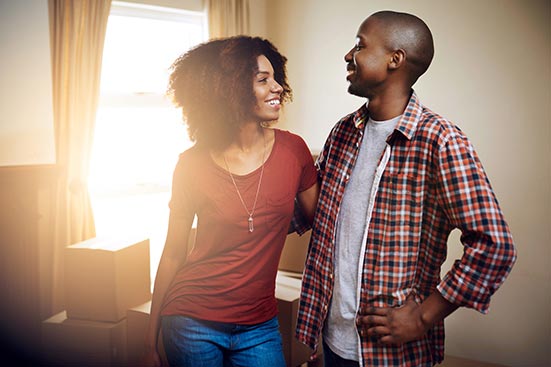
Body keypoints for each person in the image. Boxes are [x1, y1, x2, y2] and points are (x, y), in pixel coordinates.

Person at [296, 10, 517, 367]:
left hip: (393, 356)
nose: (348, 56)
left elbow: (495, 245)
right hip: (331, 343)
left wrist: (423, 316)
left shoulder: (441, 140)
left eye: (360, 45)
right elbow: (314, 216)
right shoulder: (342, 133)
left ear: (395, 59)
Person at [143, 36, 319, 367]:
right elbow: (173, 254)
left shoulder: (294, 151)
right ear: (230, 89)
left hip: (260, 326)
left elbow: (324, 224)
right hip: (192, 319)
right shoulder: (191, 164)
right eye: (263, 80)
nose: (278, 87)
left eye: (276, 77)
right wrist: (149, 345)